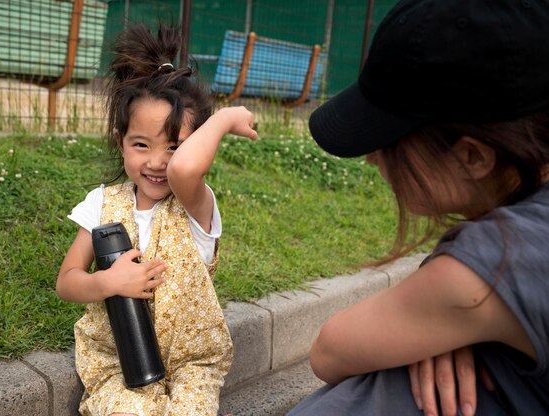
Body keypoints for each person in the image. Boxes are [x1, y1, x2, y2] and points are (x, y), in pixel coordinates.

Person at [288, 0, 549, 415]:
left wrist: (451, 302)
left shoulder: (502, 258)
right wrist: (448, 325)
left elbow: (329, 352)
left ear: (474, 158)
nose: (373, 158)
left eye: (388, 142)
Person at [56, 21, 257, 415]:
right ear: (121, 143)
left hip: (191, 363)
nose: (156, 162)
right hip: (117, 358)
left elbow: (183, 171)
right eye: (141, 145)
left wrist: (225, 118)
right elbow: (67, 282)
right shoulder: (101, 204)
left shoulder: (195, 204)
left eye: (174, 147)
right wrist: (107, 282)